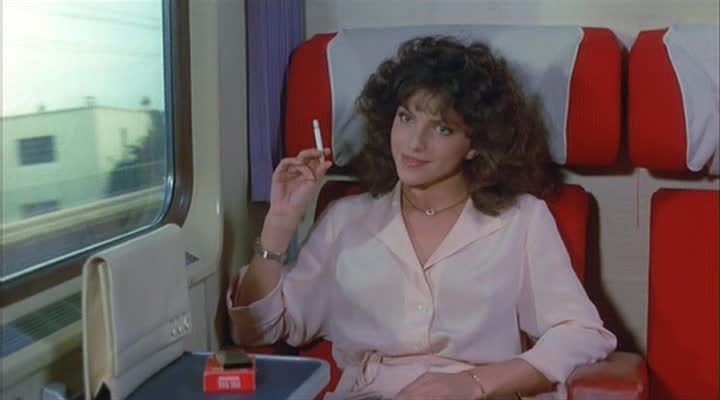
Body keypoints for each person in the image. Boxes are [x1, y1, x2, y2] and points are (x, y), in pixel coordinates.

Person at [227, 36, 616, 400]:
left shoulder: (523, 219)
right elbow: (258, 331)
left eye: (442, 128)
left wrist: (475, 383)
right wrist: (279, 224)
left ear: (475, 144)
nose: (415, 143)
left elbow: (583, 334)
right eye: (406, 118)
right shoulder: (345, 218)